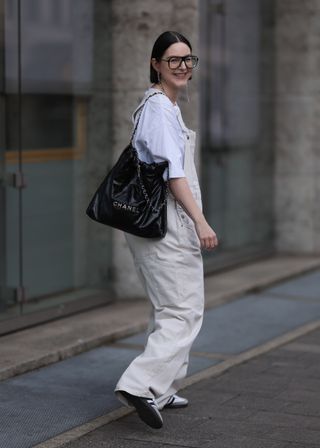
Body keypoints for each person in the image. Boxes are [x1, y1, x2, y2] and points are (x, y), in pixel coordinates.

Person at [114, 30, 218, 429]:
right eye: (173, 59)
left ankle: (163, 387)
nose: (182, 67)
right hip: (167, 224)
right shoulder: (158, 109)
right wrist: (201, 221)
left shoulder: (165, 107)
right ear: (155, 64)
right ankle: (140, 384)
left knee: (168, 308)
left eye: (188, 59)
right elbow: (173, 175)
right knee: (182, 310)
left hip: (163, 223)